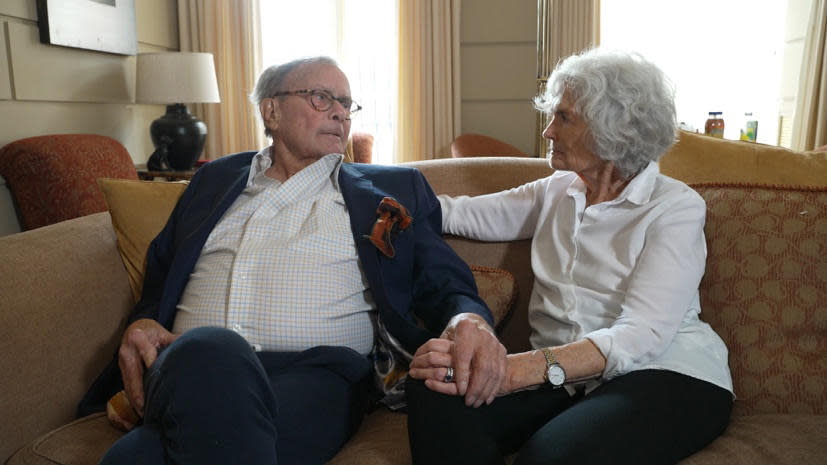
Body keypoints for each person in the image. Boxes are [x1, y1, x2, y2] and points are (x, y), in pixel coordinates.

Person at [79, 56, 506, 465]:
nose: (340, 113)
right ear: (272, 111)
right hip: (188, 365)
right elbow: (161, 276)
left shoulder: (392, 191)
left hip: (315, 376)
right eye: (322, 98)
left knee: (132, 458)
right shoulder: (213, 180)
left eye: (346, 103)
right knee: (211, 349)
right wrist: (143, 321)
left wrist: (470, 322)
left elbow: (445, 283)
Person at [406, 48, 734, 465]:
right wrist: (374, 194)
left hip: (663, 375)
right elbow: (456, 212)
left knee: (552, 456)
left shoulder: (675, 207)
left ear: (615, 129)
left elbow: (643, 335)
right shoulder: (557, 189)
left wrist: (517, 370)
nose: (547, 132)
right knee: (433, 387)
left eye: (564, 117)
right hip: (562, 382)